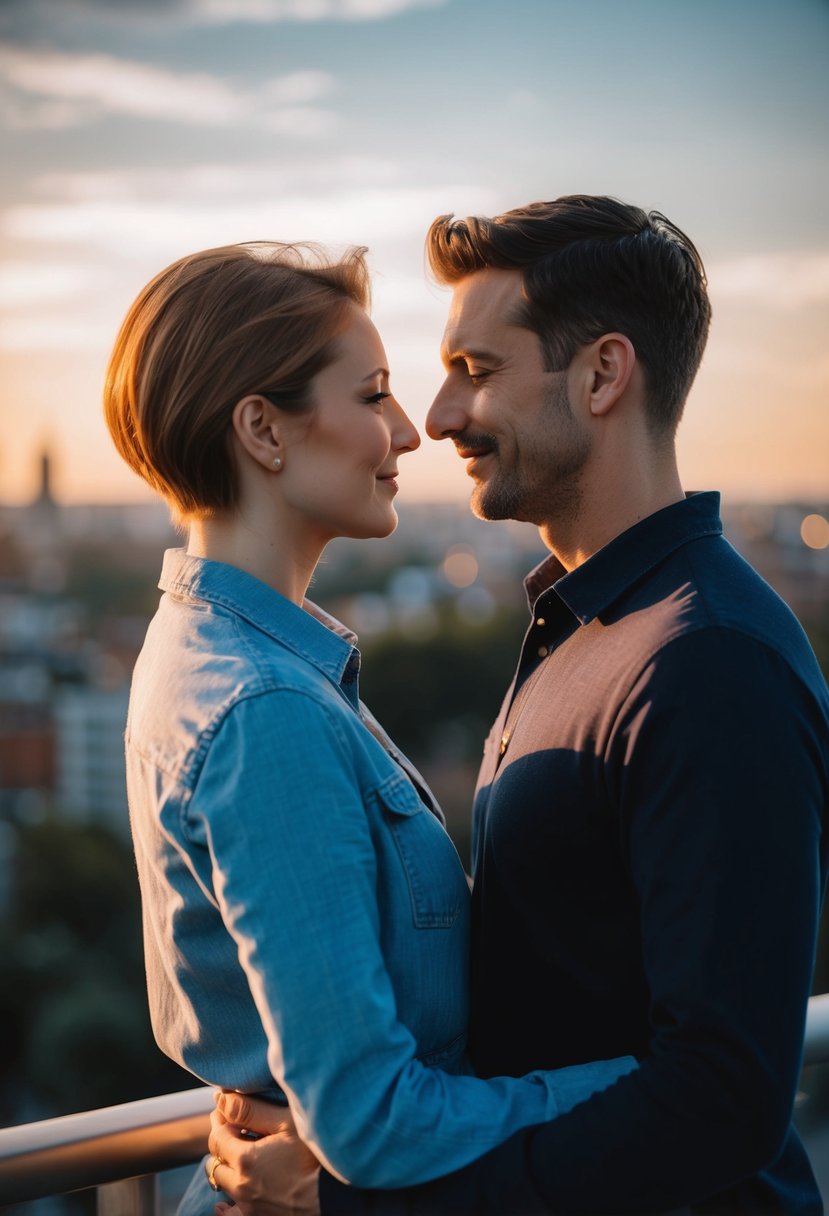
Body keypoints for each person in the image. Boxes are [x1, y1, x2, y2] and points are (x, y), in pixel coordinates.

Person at [210, 197, 829, 1214]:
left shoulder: (707, 663)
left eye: (478, 372)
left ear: (601, 374)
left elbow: (720, 1097)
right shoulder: (586, 622)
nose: (440, 415)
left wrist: (356, 1201)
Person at [103, 240, 639, 1216]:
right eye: (373, 395)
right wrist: (647, 1085)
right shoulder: (263, 709)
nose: (407, 431)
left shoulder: (200, 649)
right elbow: (373, 1120)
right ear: (264, 429)